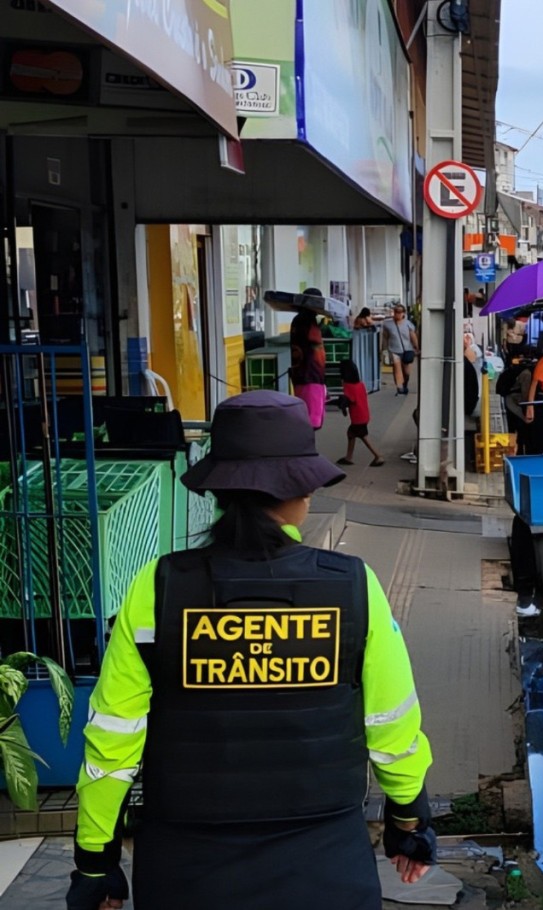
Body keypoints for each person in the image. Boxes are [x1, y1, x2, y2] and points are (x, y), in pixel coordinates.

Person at [66, 390, 435, 910]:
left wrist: (94, 860)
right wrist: (408, 821)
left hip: (186, 873)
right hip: (325, 870)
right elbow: (392, 729)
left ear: (219, 493)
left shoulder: (159, 588)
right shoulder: (355, 588)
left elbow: (113, 739)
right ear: (299, 493)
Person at [289, 295, 328, 429]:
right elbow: (315, 339)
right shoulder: (307, 321)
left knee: (303, 409)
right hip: (311, 372)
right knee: (311, 416)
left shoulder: (297, 320)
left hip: (301, 370)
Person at [337, 359, 384, 467]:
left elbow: (348, 400)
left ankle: (378, 456)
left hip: (357, 418)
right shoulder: (360, 384)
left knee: (363, 436)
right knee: (351, 434)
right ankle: (348, 457)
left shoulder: (348, 386)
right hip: (364, 415)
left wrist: (342, 407)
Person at [381, 304, 420, 395]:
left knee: (406, 372)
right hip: (394, 349)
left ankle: (405, 383)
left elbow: (413, 336)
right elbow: (385, 337)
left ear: (403, 313)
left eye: (399, 312)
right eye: (396, 312)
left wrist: (416, 347)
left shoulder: (408, 324)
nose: (397, 314)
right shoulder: (387, 324)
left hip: (407, 349)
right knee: (397, 367)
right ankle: (400, 387)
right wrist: (384, 349)